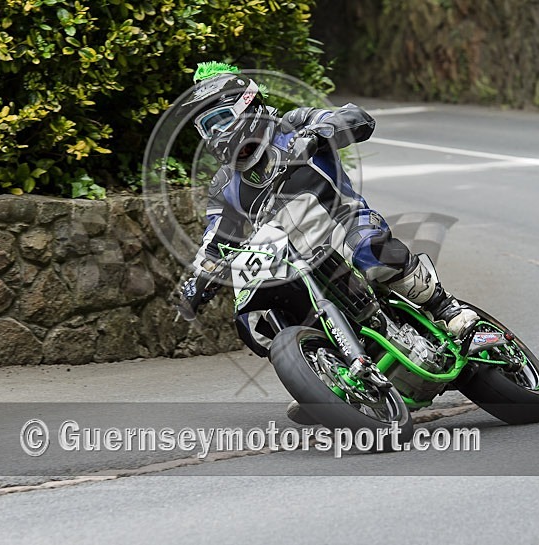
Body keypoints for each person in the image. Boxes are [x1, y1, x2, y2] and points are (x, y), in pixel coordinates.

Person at [177, 62, 478, 420]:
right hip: (292, 258)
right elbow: (215, 238)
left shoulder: (292, 125)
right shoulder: (225, 186)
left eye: (220, 120)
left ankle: (446, 307)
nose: (214, 134)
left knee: (370, 253)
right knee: (257, 315)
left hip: (344, 225)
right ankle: (321, 372)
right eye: (205, 127)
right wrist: (198, 280)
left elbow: (356, 117)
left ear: (246, 104)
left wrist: (319, 133)